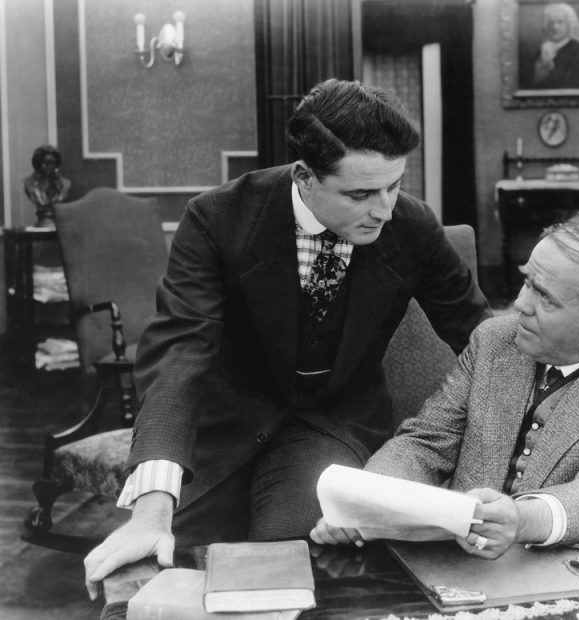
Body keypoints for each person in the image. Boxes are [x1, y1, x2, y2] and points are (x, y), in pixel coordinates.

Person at [84, 78, 491, 597]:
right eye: (361, 193)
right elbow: (180, 354)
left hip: (330, 428)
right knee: (151, 575)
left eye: (394, 185)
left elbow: (479, 336)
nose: (384, 210)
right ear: (304, 177)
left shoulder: (410, 225)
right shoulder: (217, 219)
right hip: (221, 430)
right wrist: (151, 510)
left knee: (284, 573)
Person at [311, 211, 579, 559]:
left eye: (544, 297)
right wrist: (363, 501)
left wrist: (521, 519)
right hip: (454, 562)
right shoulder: (494, 342)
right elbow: (426, 442)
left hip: (569, 572)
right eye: (527, 282)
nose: (520, 304)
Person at [532, 3, 579, 90]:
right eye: (550, 23)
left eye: (560, 22)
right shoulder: (541, 51)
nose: (554, 27)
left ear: (569, 25)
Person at [23, 144, 71, 228]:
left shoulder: (65, 183)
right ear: (38, 163)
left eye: (52, 163)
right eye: (45, 163)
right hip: (41, 223)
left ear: (56, 164)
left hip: (58, 224)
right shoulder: (29, 184)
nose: (49, 166)